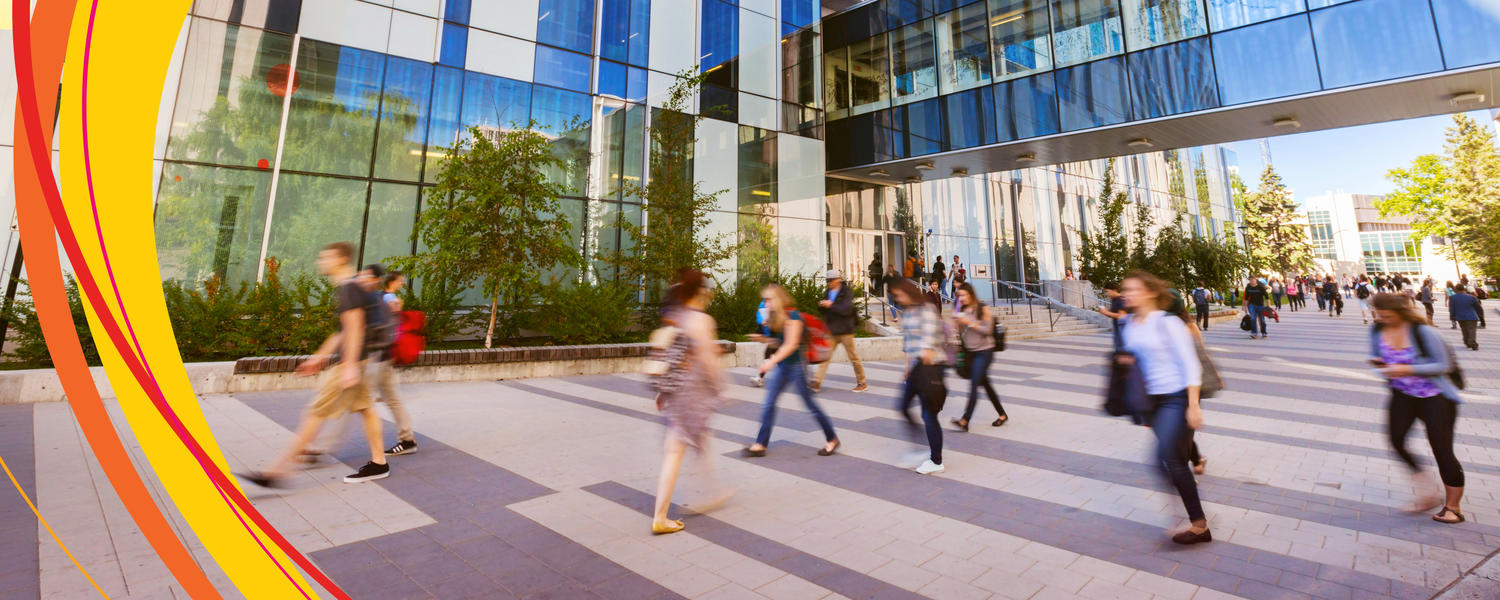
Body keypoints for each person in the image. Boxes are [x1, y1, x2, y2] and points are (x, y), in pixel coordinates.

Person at [238, 242, 390, 487]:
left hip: (350, 363)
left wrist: (349, 365)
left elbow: (355, 328)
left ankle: (275, 474)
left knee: (314, 413)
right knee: (366, 409)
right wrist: (318, 358)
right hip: (359, 361)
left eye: (326, 258)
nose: (321, 262)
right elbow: (341, 332)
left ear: (340, 259)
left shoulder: (349, 289)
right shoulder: (350, 286)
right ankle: (379, 462)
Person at [1117, 271, 1209, 544]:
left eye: (1132, 289)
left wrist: (1194, 405)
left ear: (1150, 292)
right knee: (1171, 462)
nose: (1126, 294)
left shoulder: (1168, 323)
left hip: (1177, 397)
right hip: (1152, 402)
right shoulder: (1130, 324)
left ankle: (1197, 523)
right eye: (1125, 290)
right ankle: (1195, 519)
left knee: (1165, 458)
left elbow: (1190, 363)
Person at [1369, 293, 1467, 524]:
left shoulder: (1423, 332)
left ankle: (1453, 507)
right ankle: (1428, 492)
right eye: (1379, 315)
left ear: (1400, 313)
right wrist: (1382, 367)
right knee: (1396, 440)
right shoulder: (1376, 330)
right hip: (1403, 395)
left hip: (1436, 396)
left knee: (1441, 449)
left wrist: (1407, 369)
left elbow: (1443, 365)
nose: (1382, 319)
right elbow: (1377, 358)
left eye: (1387, 315)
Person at [651, 270, 733, 534]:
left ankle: (713, 492)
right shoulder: (701, 320)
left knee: (696, 442)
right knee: (676, 451)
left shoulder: (676, 318)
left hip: (677, 392)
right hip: (694, 394)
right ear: (700, 291)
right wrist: (722, 388)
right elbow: (708, 360)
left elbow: (670, 357)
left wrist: (663, 392)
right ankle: (660, 517)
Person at [743, 284, 841, 457]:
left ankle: (832, 438)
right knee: (769, 403)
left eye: (769, 299)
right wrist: (764, 339)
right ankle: (760, 444)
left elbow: (791, 344)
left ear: (778, 300)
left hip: (796, 367)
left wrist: (771, 361)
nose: (766, 303)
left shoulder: (793, 316)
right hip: (783, 367)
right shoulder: (778, 318)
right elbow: (780, 343)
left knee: (810, 404)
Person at [889, 278, 946, 475]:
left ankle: (936, 460)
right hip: (916, 368)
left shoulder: (926, 310)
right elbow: (909, 343)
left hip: (930, 367)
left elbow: (929, 343)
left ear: (907, 292)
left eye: (899, 295)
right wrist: (908, 368)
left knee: (929, 415)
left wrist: (923, 373)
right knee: (903, 407)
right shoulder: (909, 312)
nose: (897, 299)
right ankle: (922, 449)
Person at [951, 282, 1006, 431]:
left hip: (984, 352)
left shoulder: (982, 308)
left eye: (963, 295)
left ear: (971, 294)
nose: (960, 298)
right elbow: (961, 333)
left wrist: (968, 322)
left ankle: (965, 420)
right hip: (970, 353)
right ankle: (1002, 414)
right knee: (986, 385)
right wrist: (957, 324)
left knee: (974, 384)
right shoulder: (961, 310)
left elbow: (987, 330)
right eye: (958, 296)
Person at [811, 270, 868, 393]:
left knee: (853, 357)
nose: (829, 283)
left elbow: (846, 310)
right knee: (825, 356)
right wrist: (821, 305)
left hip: (846, 329)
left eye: (830, 280)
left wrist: (830, 305)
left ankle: (862, 382)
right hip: (832, 330)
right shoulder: (827, 292)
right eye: (827, 281)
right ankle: (816, 382)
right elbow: (824, 311)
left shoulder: (846, 292)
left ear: (838, 279)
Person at [1449, 285, 1481, 351]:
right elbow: (1478, 307)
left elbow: (1452, 308)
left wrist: (1452, 317)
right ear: (1464, 289)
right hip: (1471, 316)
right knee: (1472, 330)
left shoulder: (1452, 298)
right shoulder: (1472, 297)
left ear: (1456, 289)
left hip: (1460, 317)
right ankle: (1472, 343)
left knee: (1464, 330)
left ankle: (1466, 342)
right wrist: (1480, 316)